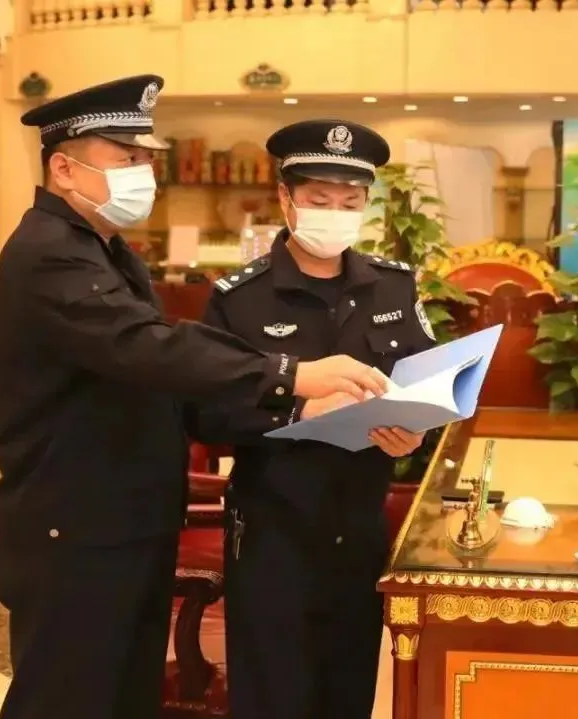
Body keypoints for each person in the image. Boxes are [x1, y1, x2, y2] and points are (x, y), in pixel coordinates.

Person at [0, 78, 387, 719]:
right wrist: (290, 375)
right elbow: (147, 347)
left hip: (124, 520)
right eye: (125, 157)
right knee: (67, 696)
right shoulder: (50, 253)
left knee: (122, 696)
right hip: (76, 528)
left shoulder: (103, 250)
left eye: (146, 158)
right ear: (63, 168)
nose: (143, 172)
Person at [186, 120, 437, 719]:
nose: (336, 214)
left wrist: (419, 430)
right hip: (274, 533)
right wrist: (297, 406)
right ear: (286, 198)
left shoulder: (392, 288)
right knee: (276, 695)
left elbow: (428, 384)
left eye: (350, 202)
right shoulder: (240, 298)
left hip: (361, 526)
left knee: (346, 692)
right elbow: (205, 412)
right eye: (320, 200)